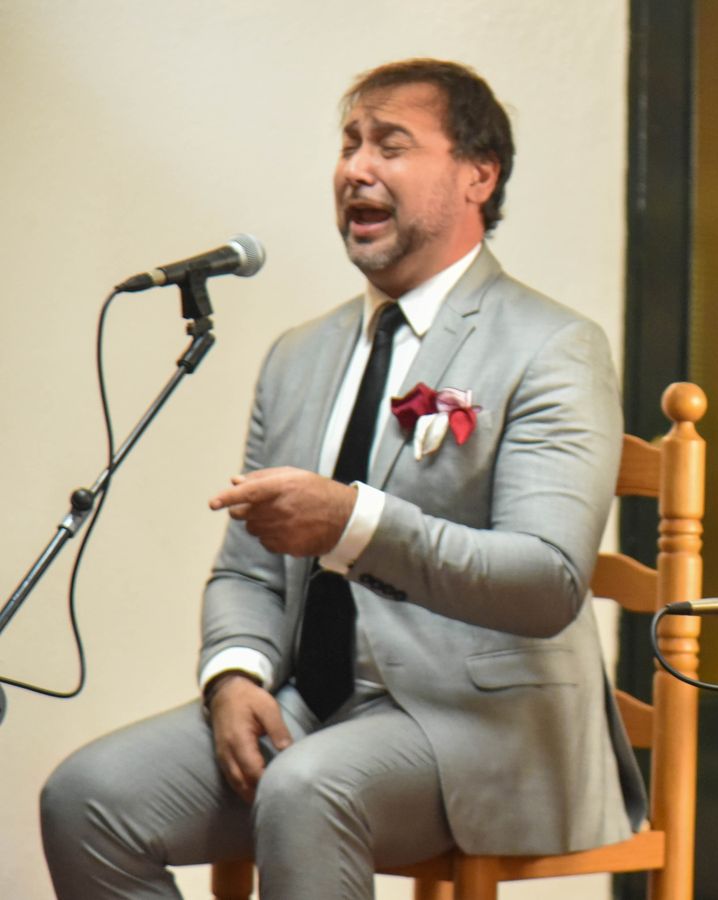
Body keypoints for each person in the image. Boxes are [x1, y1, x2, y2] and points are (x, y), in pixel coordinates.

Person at [40, 58, 643, 899]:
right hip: (310, 706)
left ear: (479, 173)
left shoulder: (553, 347)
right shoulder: (299, 356)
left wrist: (355, 523)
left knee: (305, 788)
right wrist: (238, 674)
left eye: (390, 146)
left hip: (480, 721)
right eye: (349, 144)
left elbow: (548, 581)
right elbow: (246, 568)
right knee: (88, 799)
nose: (356, 168)